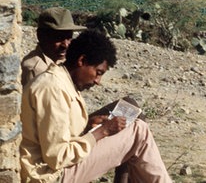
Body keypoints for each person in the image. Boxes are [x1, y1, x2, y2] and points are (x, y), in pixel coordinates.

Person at [20, 29, 172, 183]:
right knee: (139, 131)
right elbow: (58, 157)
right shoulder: (52, 88)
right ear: (82, 61)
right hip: (50, 176)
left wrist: (87, 128)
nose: (98, 81)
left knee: (134, 127)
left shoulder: (62, 82)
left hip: (55, 170)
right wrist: (101, 131)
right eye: (98, 72)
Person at [21, 7, 87, 86]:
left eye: (69, 38)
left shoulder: (58, 60)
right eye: (59, 38)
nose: (65, 45)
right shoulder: (36, 70)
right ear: (40, 36)